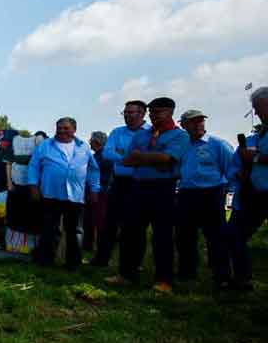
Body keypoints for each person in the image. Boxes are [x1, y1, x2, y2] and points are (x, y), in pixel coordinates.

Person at [112, 96, 190, 293]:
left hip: (163, 187)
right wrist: (154, 160)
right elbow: (128, 160)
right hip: (138, 185)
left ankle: (164, 279)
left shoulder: (179, 136)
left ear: (170, 112)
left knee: (162, 235)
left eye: (158, 112)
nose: (154, 116)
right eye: (152, 112)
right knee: (131, 232)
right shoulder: (141, 135)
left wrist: (144, 158)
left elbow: (168, 158)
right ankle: (126, 274)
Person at [28, 117, 100, 269]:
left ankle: (73, 263)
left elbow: (93, 169)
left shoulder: (84, 147)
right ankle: (45, 261)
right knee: (49, 229)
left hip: (75, 195)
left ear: (74, 130)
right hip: (50, 194)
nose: (61, 131)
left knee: (75, 231)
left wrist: (94, 189)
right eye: (59, 128)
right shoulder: (45, 146)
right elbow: (33, 166)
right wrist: (33, 186)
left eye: (66, 128)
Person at [174, 109, 235, 287]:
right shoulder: (182, 147)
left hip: (213, 193)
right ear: (183, 125)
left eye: (201, 121)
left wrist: (229, 196)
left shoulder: (217, 144)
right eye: (193, 121)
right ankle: (187, 273)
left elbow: (231, 170)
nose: (199, 124)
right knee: (184, 236)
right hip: (186, 194)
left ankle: (222, 275)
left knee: (216, 236)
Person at [90, 100, 149, 267]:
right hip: (120, 182)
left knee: (136, 225)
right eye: (125, 113)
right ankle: (102, 258)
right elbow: (108, 153)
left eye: (131, 113)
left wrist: (127, 156)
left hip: (140, 183)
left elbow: (149, 155)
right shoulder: (117, 132)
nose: (127, 116)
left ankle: (135, 263)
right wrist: (127, 159)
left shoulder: (150, 132)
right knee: (110, 222)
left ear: (142, 113)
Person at [227, 86, 268, 290]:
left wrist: (257, 157)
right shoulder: (257, 135)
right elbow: (235, 166)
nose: (257, 113)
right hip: (253, 192)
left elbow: (256, 157)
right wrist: (241, 172)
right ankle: (242, 279)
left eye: (258, 108)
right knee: (235, 234)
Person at [3, 130, 46, 254]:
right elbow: (8, 164)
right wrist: (9, 183)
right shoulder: (14, 141)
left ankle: (33, 246)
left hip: (33, 186)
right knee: (16, 215)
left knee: (32, 216)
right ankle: (15, 245)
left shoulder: (40, 142)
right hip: (16, 185)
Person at [81, 131, 111, 252]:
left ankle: (96, 247)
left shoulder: (103, 157)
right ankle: (89, 246)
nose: (89, 143)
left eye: (91, 141)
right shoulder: (98, 156)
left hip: (99, 193)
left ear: (97, 142)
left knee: (97, 221)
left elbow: (103, 176)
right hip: (96, 192)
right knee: (91, 220)